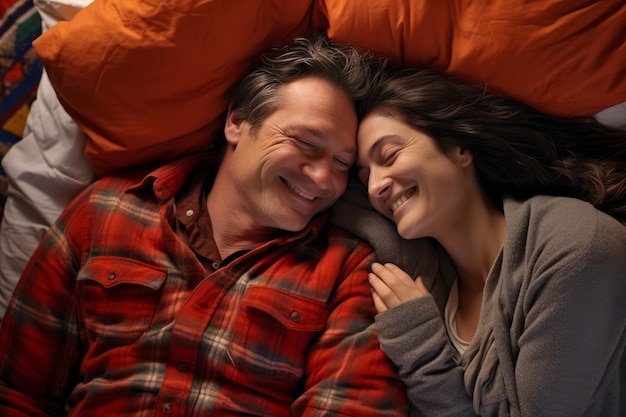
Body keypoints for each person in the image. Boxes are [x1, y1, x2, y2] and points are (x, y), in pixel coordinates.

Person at [0, 35, 409, 416]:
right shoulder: (104, 212)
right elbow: (18, 390)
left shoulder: (347, 270)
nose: (323, 179)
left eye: (342, 163)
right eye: (305, 143)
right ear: (237, 122)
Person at [354, 66, 626, 416]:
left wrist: (421, 354)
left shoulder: (575, 246)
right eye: (364, 177)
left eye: (389, 155)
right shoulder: (429, 280)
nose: (375, 186)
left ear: (459, 148)